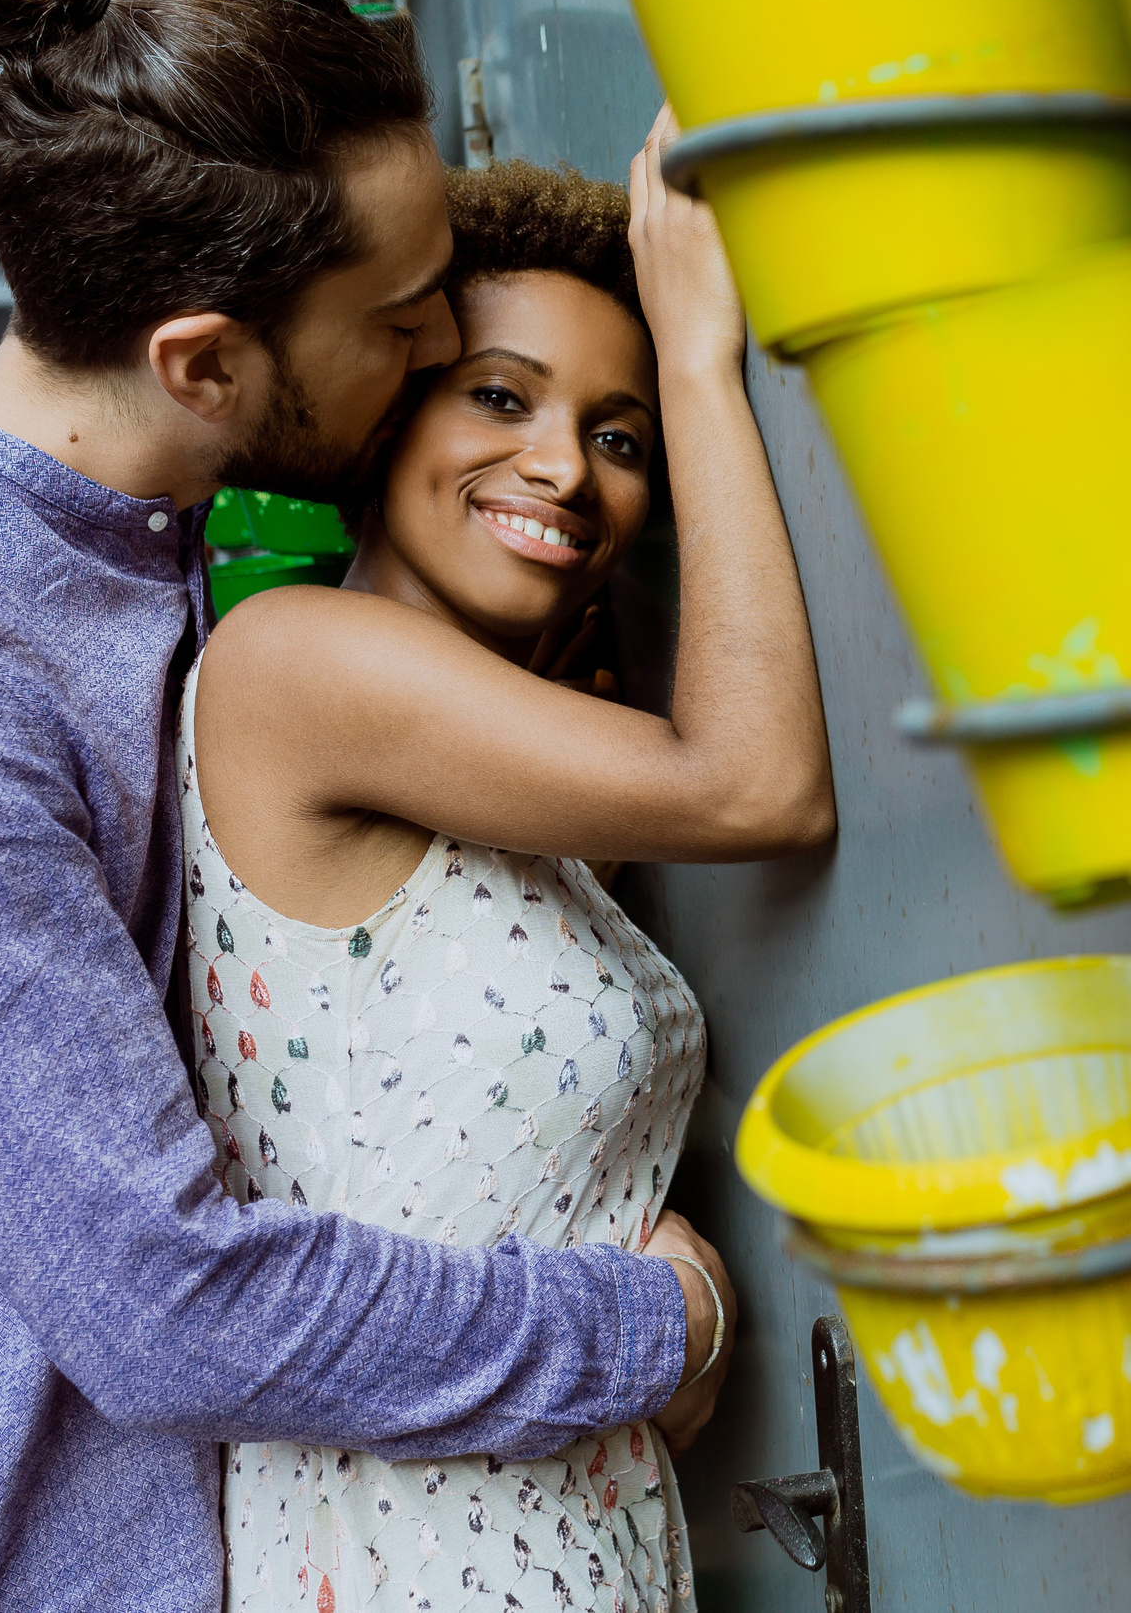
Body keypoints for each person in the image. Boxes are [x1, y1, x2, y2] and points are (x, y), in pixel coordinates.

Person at [0, 0, 814, 1611]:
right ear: (203, 364)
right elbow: (171, 1310)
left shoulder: (136, 565)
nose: (423, 356)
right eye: (403, 325)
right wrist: (645, 1325)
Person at [188, 131, 832, 1610]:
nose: (564, 466)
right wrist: (696, 360)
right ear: (381, 419)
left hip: (566, 1544)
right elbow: (758, 782)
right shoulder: (295, 661)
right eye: (499, 397)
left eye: (620, 436)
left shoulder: (527, 780)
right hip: (407, 1560)